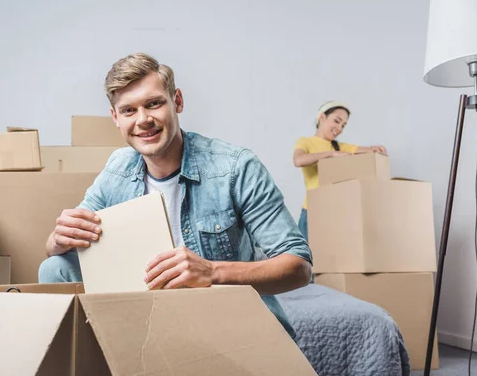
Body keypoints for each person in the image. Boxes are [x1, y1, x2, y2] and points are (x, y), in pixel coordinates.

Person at [39, 52, 311, 338]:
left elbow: (299, 267)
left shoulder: (234, 167)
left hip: (228, 323)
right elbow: (56, 247)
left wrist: (212, 272)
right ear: (115, 118)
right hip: (150, 324)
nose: (143, 120)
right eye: (129, 110)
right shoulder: (116, 169)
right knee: (55, 268)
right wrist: (57, 239)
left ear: (177, 101)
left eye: (153, 104)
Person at [292, 101, 387, 240]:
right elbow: (298, 160)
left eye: (343, 125)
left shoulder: (338, 146)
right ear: (322, 117)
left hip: (335, 211)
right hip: (313, 210)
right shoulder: (306, 142)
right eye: (336, 121)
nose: (339, 128)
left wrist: (376, 149)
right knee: (307, 258)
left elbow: (364, 150)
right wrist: (330, 155)